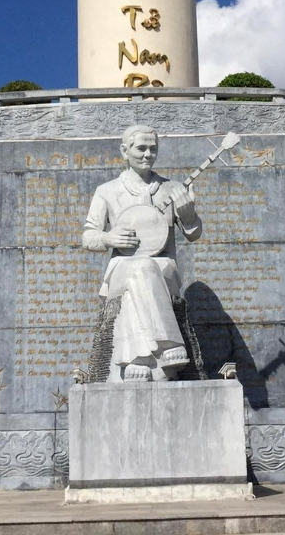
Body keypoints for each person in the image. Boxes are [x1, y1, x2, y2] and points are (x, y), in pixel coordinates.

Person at [82, 125, 203, 381]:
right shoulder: (107, 191)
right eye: (141, 148)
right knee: (139, 267)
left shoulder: (172, 189)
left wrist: (189, 215)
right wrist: (107, 237)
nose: (148, 154)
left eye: (153, 149)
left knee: (145, 269)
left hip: (163, 270)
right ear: (124, 151)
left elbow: (193, 233)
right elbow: (88, 236)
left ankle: (138, 359)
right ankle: (169, 345)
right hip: (120, 271)